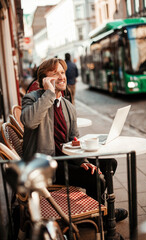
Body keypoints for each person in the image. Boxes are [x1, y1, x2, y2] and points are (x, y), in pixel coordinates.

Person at [21, 57, 127, 223]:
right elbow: (29, 121)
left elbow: (73, 140)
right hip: (46, 167)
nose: (62, 77)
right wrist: (49, 93)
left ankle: (102, 212)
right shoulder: (32, 99)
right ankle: (103, 220)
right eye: (55, 73)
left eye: (62, 72)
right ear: (44, 79)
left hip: (65, 160)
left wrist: (82, 161)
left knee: (108, 164)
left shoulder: (68, 106)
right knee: (95, 179)